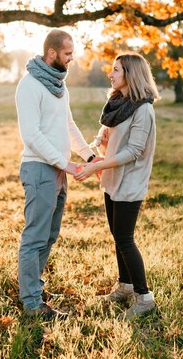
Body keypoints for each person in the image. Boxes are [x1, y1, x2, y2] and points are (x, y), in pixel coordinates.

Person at [15, 29, 97, 319]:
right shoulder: (30, 85)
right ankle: (32, 305)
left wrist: (88, 156)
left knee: (49, 236)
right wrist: (65, 164)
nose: (71, 58)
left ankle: (33, 290)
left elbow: (69, 126)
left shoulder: (60, 87)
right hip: (39, 169)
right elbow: (32, 136)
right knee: (34, 237)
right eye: (67, 53)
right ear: (52, 54)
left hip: (59, 172)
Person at [74, 52, 160, 319]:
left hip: (130, 182)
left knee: (125, 238)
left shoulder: (143, 109)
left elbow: (133, 151)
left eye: (116, 70)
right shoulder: (117, 102)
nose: (110, 75)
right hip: (112, 181)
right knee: (117, 237)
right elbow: (106, 133)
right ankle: (125, 286)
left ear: (130, 75)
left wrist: (96, 165)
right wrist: (93, 146)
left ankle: (144, 297)